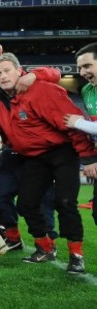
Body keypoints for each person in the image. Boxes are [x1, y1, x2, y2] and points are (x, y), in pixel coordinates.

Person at [0, 52, 97, 274]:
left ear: (20, 71)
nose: (2, 76)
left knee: (65, 202)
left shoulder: (44, 91)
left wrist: (88, 158)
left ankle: (76, 255)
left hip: (62, 153)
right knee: (26, 203)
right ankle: (45, 247)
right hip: (35, 157)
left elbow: (72, 124)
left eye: (7, 70)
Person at [73, 42, 97, 222]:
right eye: (80, 68)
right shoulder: (87, 90)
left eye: (87, 66)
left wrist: (78, 123)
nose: (82, 72)